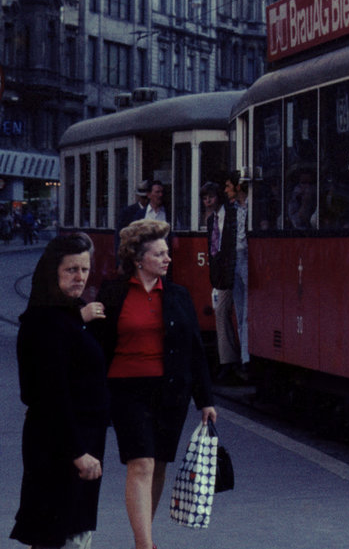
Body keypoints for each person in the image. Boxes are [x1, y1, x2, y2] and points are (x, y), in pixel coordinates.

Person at [95, 219, 217, 549]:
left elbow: (194, 349)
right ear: (139, 259)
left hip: (170, 393)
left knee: (158, 464)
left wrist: (205, 400)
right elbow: (96, 348)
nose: (168, 259)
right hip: (126, 391)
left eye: (167, 253)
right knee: (141, 463)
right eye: (159, 254)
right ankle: (145, 546)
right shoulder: (113, 293)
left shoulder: (178, 295)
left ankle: (142, 535)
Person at [10, 232, 109, 549]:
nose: (80, 277)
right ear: (54, 271)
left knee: (64, 534)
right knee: (63, 536)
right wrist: (78, 453)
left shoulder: (67, 315)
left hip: (74, 441)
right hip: (61, 449)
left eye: (84, 269)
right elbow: (51, 396)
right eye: (71, 270)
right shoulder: (45, 322)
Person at [201, 181, 238, 383]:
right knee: (221, 315)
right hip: (220, 278)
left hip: (233, 273)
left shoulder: (231, 215)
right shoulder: (211, 221)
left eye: (211, 196)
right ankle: (228, 362)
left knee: (225, 315)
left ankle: (230, 362)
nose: (208, 201)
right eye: (205, 198)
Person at [227, 175, 251, 375]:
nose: (226, 190)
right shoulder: (231, 209)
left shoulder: (252, 205)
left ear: (238, 186)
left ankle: (248, 357)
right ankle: (244, 358)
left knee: (248, 311)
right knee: (240, 309)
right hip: (235, 258)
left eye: (228, 186)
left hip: (247, 258)